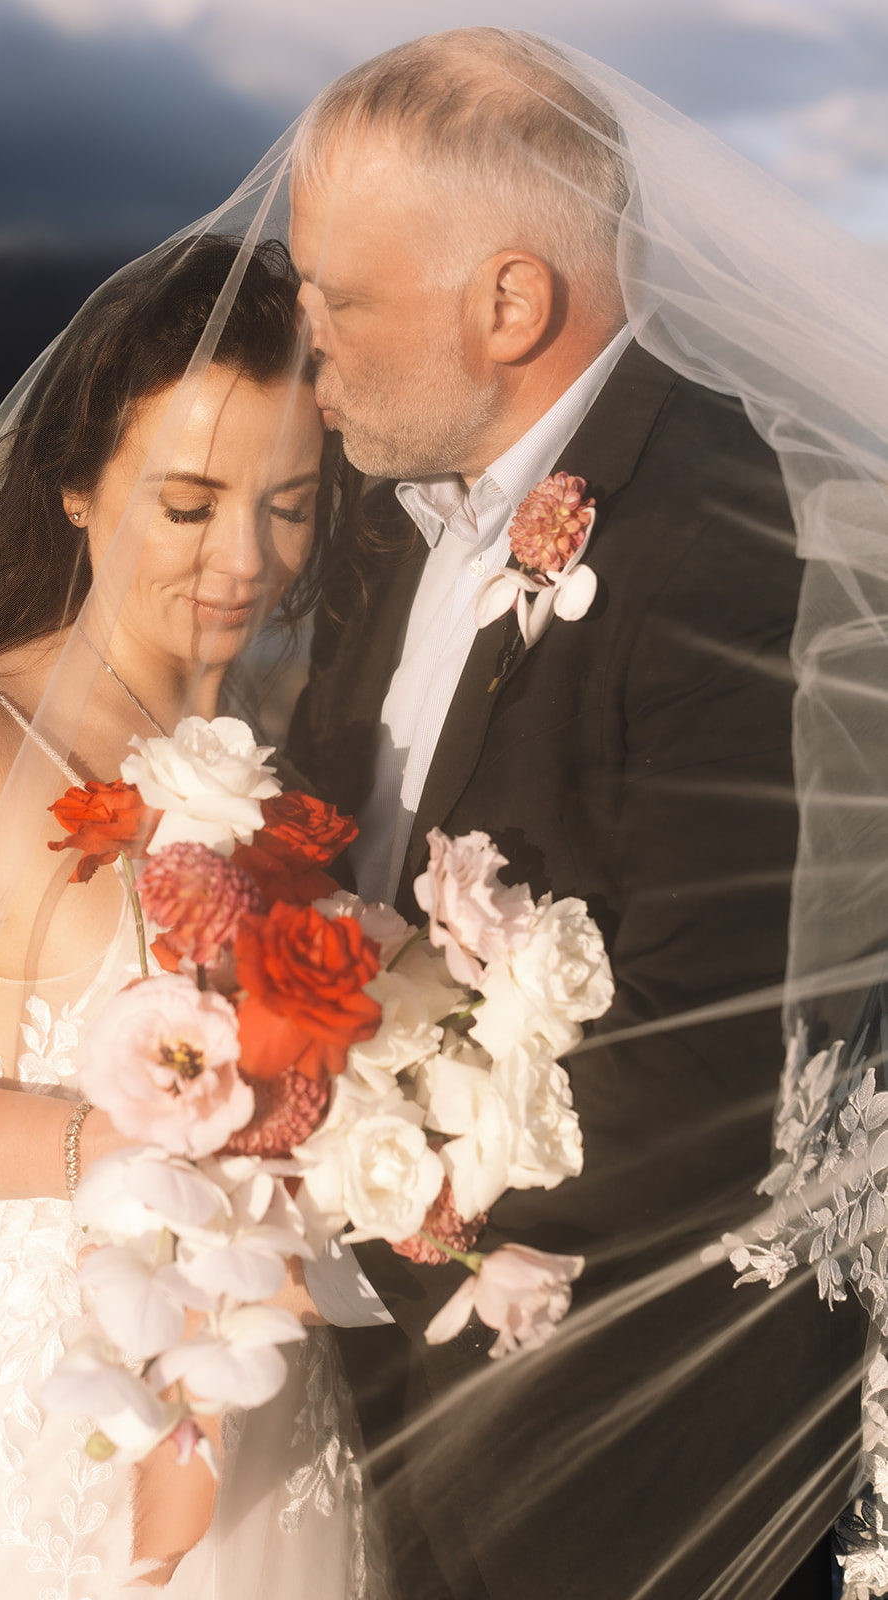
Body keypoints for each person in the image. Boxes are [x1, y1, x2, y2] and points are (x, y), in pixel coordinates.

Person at [286, 28, 880, 1600]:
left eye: (337, 299)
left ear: (510, 304)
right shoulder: (382, 500)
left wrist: (346, 1158)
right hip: (371, 1404)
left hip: (603, 1463)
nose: (308, 347)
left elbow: (713, 1047)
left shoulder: (720, 520)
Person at [0, 233, 375, 1598]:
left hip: (253, 1420)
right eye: (188, 505)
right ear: (78, 490)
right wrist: (102, 1144)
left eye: (289, 503)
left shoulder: (272, 766)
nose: (245, 559)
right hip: (26, 1443)